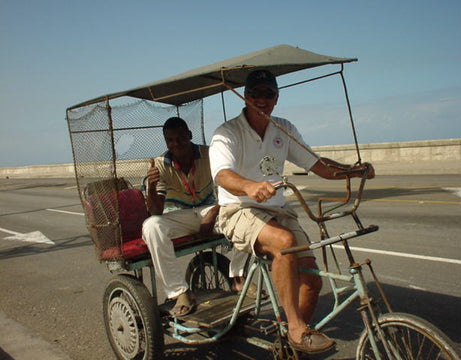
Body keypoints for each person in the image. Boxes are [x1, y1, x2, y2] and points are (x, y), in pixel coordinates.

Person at [209, 69, 375, 353]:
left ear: (276, 98)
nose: (262, 99)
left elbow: (316, 164)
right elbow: (223, 175)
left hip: (277, 210)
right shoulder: (228, 132)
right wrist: (249, 186)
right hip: (238, 209)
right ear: (245, 96)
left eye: (268, 94)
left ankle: (290, 342)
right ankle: (297, 329)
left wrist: (352, 171)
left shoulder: (283, 128)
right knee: (284, 243)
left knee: (311, 282)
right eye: (256, 94)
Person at [142, 116, 249, 317]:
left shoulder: (210, 154)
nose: (176, 144)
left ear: (190, 136)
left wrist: (212, 213)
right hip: (179, 216)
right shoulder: (159, 165)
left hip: (209, 209)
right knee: (151, 226)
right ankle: (180, 292)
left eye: (181, 138)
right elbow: (155, 212)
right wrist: (152, 187)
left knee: (246, 216)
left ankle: (237, 276)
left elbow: (231, 189)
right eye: (170, 140)